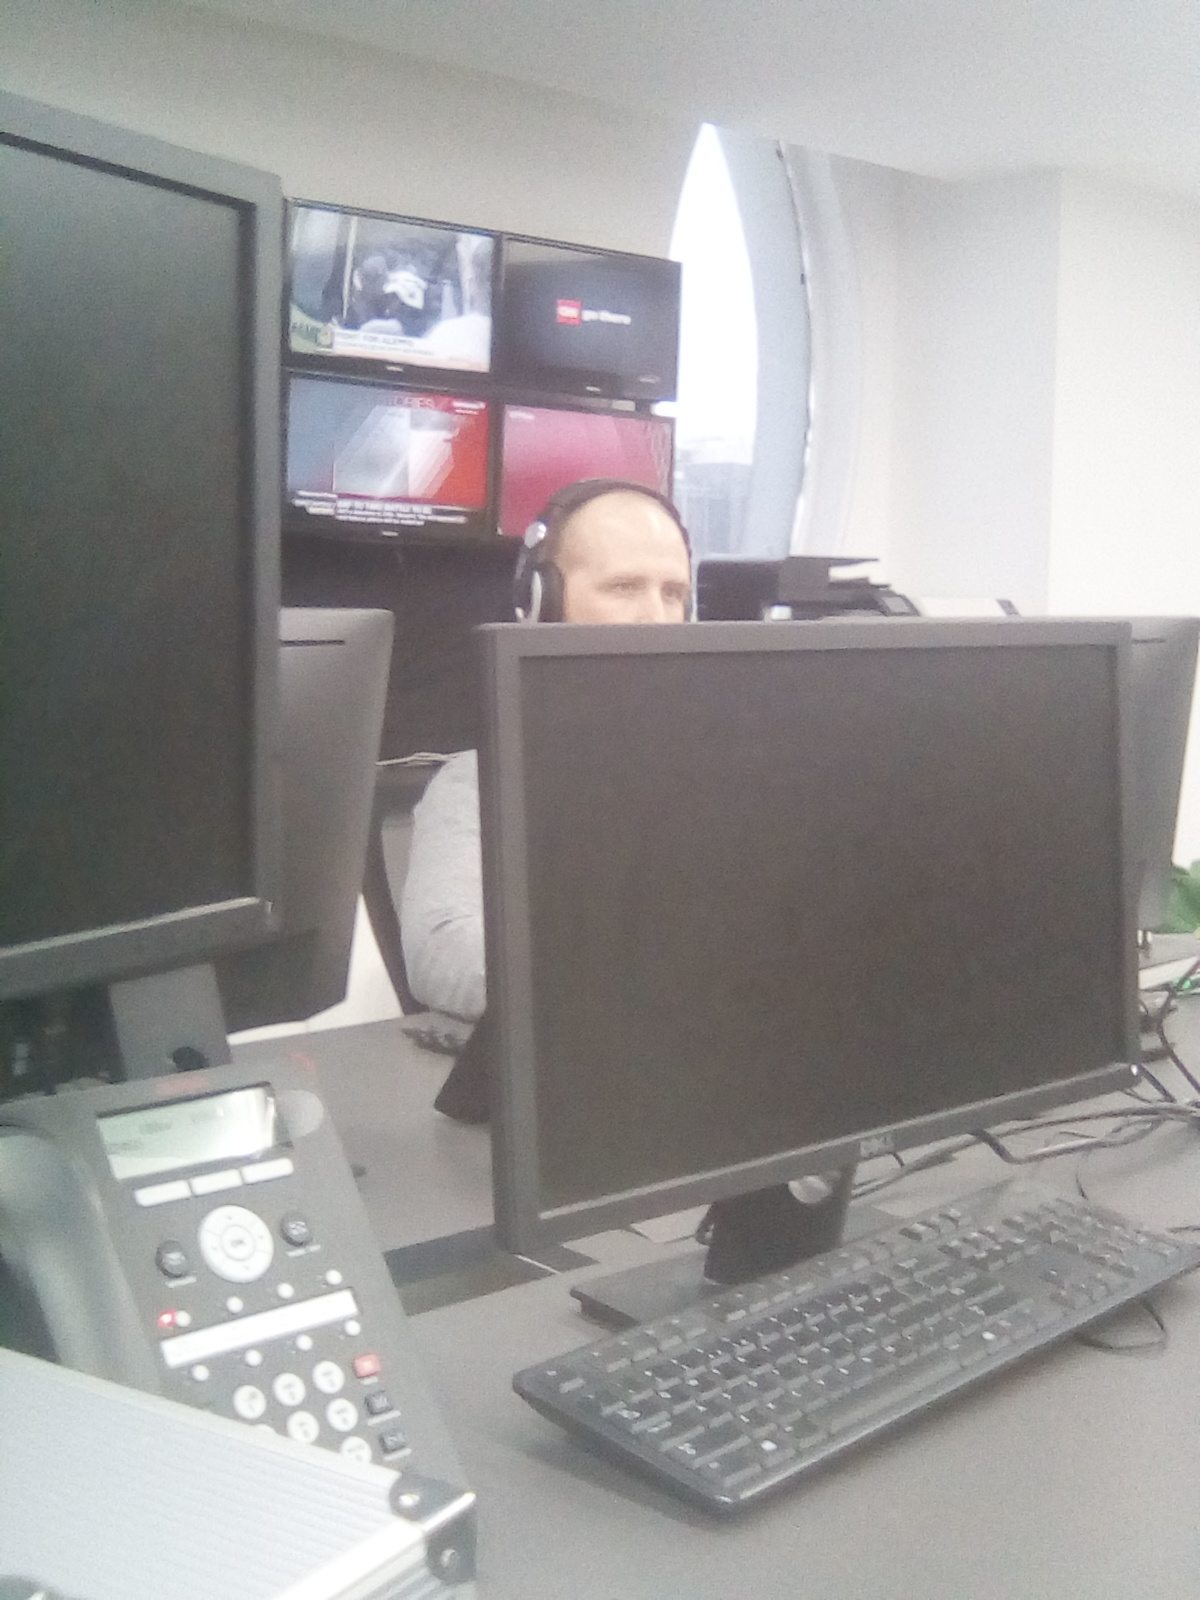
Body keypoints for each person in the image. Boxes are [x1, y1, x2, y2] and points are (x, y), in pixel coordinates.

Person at [399, 478, 692, 1032]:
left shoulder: (727, 773)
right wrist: (647, 982)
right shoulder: (482, 783)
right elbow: (442, 951)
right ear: (543, 604)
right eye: (624, 587)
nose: (656, 616)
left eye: (673, 593)